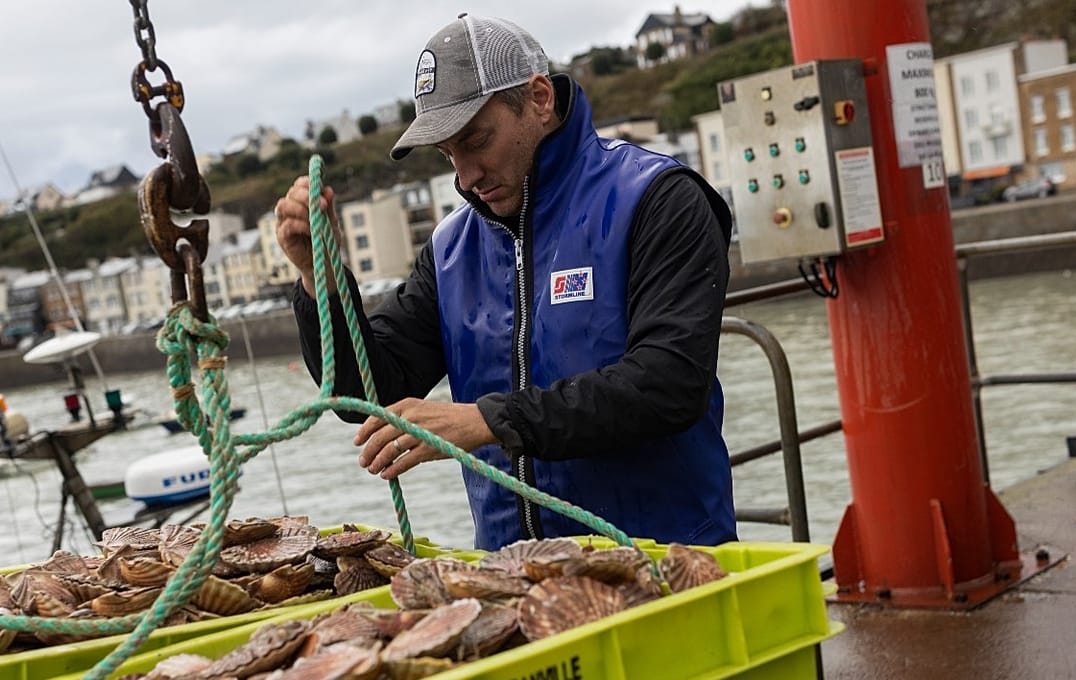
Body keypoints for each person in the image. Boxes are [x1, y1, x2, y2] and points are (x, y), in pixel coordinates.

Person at [274, 13, 737, 551]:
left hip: (668, 563)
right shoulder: (450, 250)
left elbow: (668, 383)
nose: (465, 176)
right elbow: (365, 397)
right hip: (517, 578)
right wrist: (321, 279)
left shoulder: (658, 198)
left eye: (476, 140)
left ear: (539, 98)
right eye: (448, 154)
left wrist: (489, 420)